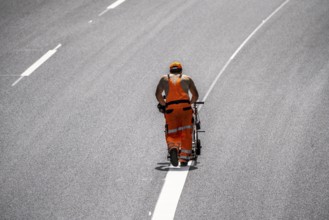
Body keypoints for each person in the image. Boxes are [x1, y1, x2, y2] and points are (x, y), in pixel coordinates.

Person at [155, 61, 199, 167]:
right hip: (185, 109)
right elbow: (195, 95)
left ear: (170, 71)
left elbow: (158, 95)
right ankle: (184, 158)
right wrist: (189, 103)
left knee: (171, 132)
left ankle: (173, 147)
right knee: (186, 133)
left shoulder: (164, 79)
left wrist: (165, 105)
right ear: (181, 70)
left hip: (171, 110)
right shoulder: (187, 79)